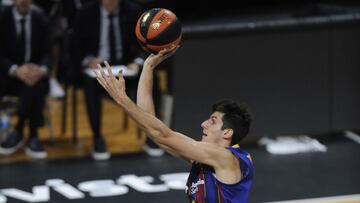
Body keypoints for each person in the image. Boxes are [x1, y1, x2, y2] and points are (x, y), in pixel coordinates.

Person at [94, 46, 254, 202]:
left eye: (212, 121)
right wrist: (148, 67)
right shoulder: (205, 158)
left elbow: (161, 134)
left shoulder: (226, 158)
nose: (203, 124)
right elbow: (153, 129)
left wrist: (121, 99)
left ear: (227, 133)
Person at [71, 0, 148, 160]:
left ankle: (152, 136)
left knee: (149, 81)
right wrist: (88, 60)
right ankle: (97, 136)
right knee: (91, 84)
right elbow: (74, 46)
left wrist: (137, 62)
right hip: (97, 68)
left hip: (126, 66)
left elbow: (145, 44)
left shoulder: (133, 11)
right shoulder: (85, 13)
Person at [0, 0, 51, 159]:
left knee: (34, 84)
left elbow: (49, 53)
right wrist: (16, 70)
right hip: (7, 76)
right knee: (33, 87)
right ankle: (33, 135)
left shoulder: (40, 18)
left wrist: (40, 69)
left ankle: (19, 130)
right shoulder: (2, 18)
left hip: (35, 74)